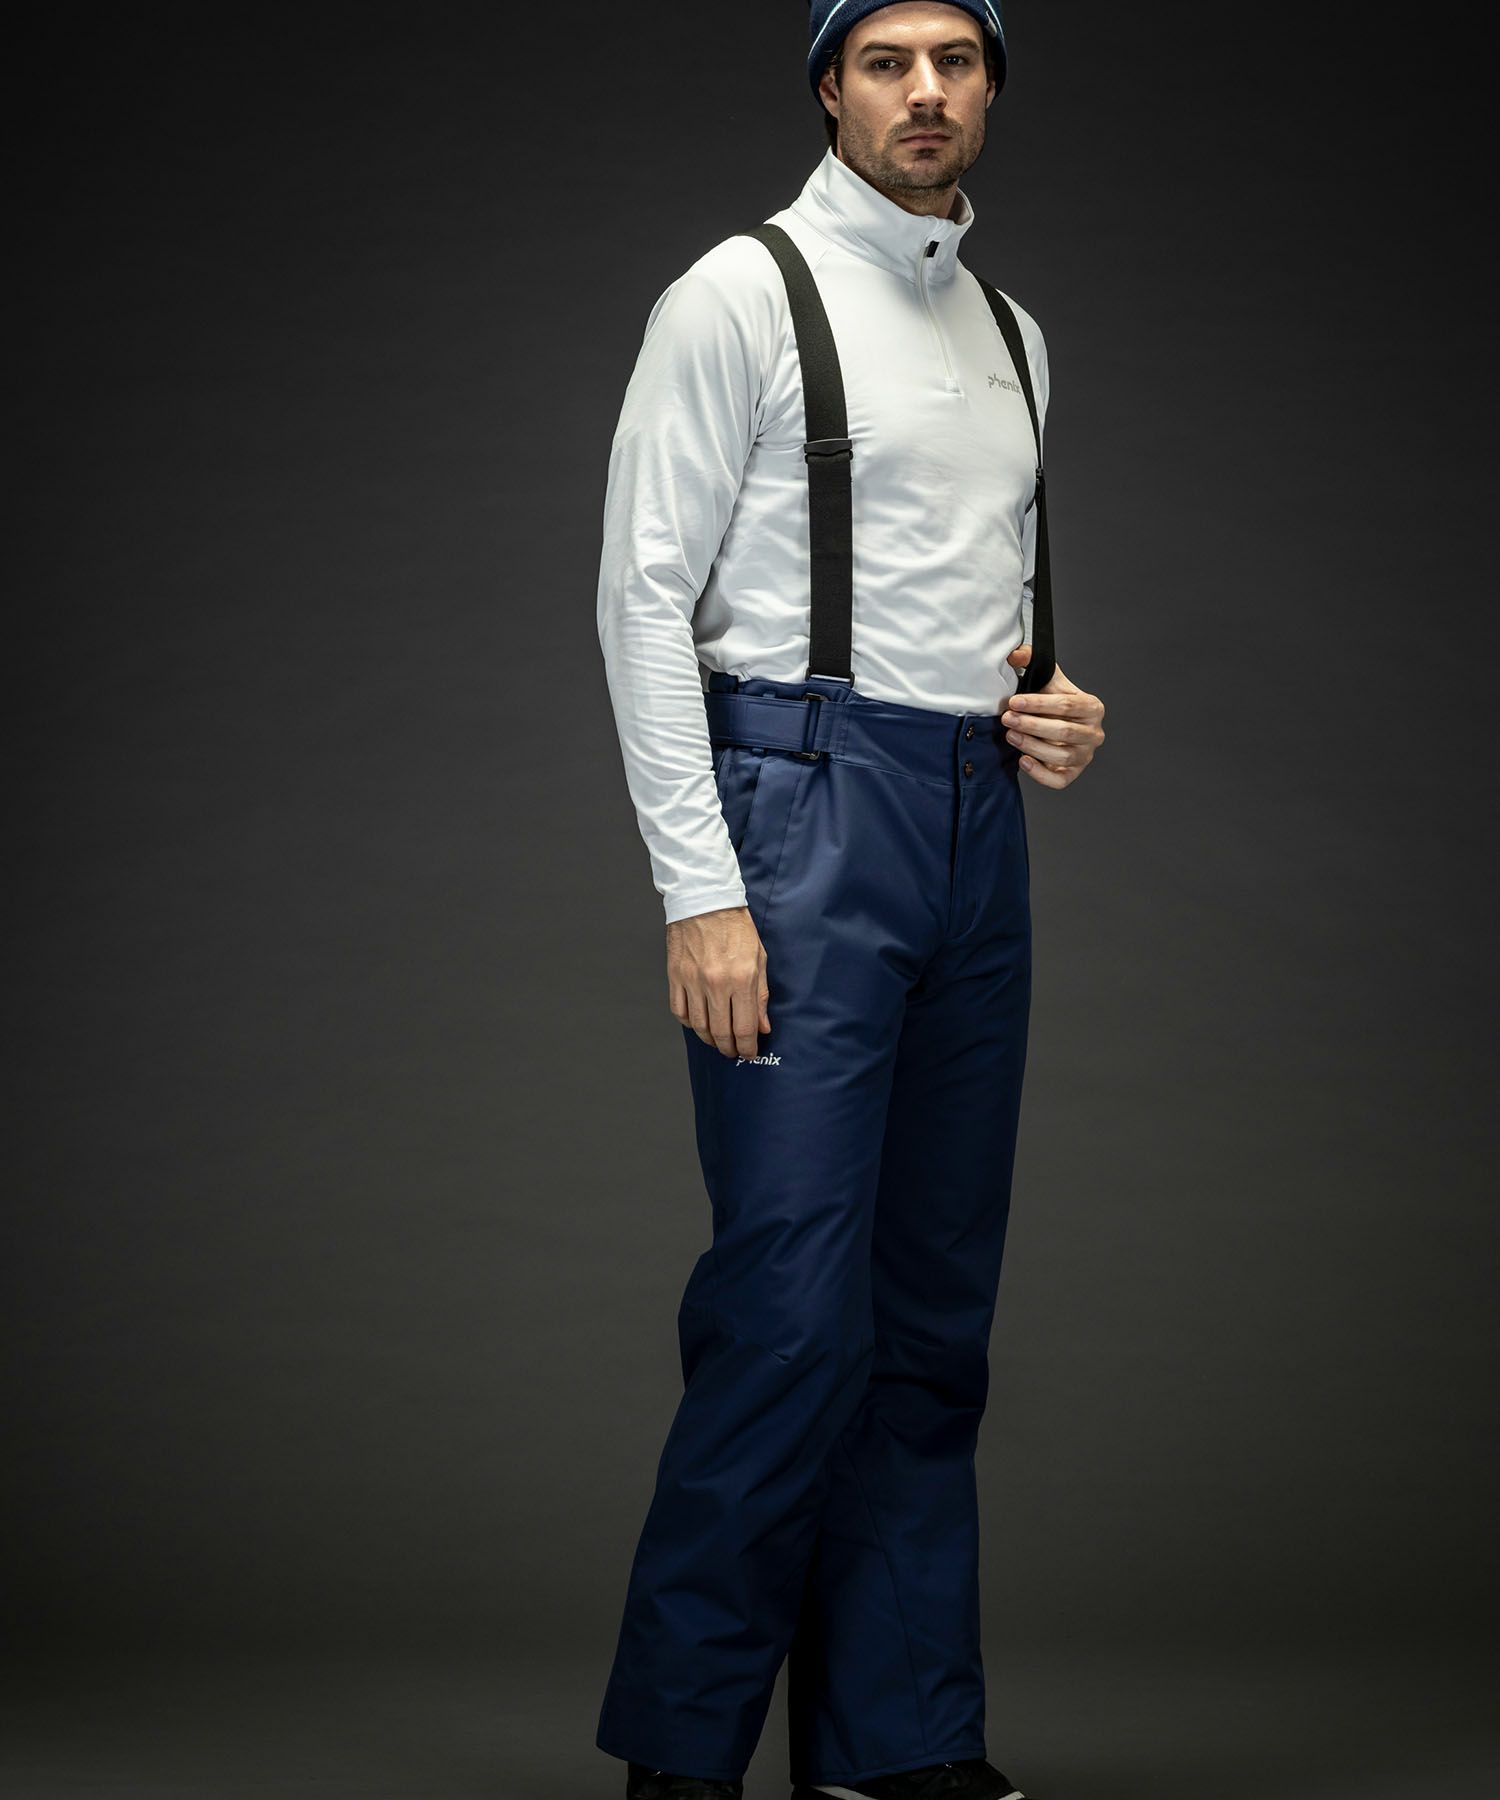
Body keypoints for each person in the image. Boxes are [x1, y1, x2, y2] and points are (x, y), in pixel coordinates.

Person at [593, 4, 1106, 1796]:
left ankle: (898, 1745)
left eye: (956, 59)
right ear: (831, 87)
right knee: (792, 1314)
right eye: (887, 60)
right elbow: (642, 596)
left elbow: (985, 611)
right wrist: (700, 890)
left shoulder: (1016, 335)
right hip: (799, 818)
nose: (926, 91)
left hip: (974, 828)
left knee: (932, 1317)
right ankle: (681, 1758)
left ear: (990, 88)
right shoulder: (738, 294)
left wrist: (1053, 706)